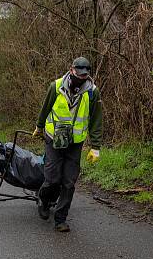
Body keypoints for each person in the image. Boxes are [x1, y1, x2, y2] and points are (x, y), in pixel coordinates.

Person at [32, 56, 102, 232]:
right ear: (71, 70)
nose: (82, 76)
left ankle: (60, 219)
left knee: (69, 182)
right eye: (79, 73)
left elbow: (95, 120)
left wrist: (96, 147)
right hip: (54, 138)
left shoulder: (92, 92)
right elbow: (45, 108)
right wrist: (39, 127)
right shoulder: (55, 87)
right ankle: (44, 199)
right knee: (53, 179)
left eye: (85, 74)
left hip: (75, 143)